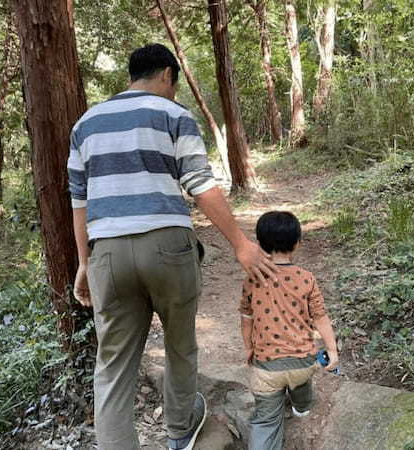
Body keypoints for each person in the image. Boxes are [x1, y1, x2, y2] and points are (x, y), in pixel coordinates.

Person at [67, 43, 277, 450]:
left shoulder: (85, 125)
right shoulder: (174, 115)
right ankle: (181, 432)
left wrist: (84, 263)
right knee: (181, 345)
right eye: (175, 83)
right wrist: (240, 243)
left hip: (107, 253)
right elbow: (199, 183)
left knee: (111, 366)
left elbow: (80, 201)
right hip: (167, 246)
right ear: (166, 75)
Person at [239, 211, 339, 450]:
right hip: (303, 363)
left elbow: (246, 319)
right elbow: (321, 317)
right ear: (297, 243)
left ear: (261, 245)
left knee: (264, 421)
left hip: (267, 368)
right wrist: (332, 350)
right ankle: (301, 407)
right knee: (302, 386)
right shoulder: (307, 278)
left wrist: (249, 348)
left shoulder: (252, 278)